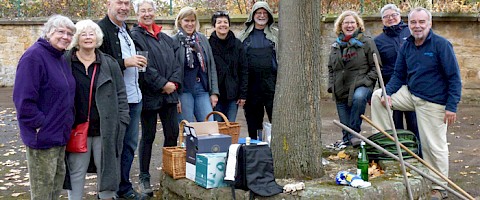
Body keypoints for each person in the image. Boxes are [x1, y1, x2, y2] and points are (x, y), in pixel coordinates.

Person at [370, 7, 462, 200]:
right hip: (411, 94)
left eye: (422, 22)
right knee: (378, 97)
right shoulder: (407, 45)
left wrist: (451, 107)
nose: (417, 26)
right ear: (408, 23)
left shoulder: (441, 45)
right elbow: (398, 75)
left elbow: (454, 78)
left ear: (430, 24)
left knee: (433, 147)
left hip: (434, 102)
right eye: (413, 22)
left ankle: (440, 187)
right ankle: (388, 146)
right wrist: (388, 93)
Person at [64, 19, 129, 200]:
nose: (87, 37)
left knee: (107, 172)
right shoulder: (66, 61)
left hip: (104, 129)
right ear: (77, 38)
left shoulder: (109, 63)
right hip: (76, 129)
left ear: (97, 37)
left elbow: (121, 95)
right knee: (76, 172)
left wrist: (122, 121)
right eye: (83, 34)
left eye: (91, 33)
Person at [12, 15, 76, 200]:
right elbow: (23, 101)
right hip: (43, 137)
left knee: (55, 188)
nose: (65, 36)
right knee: (42, 192)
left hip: (60, 135)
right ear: (48, 32)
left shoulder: (59, 57)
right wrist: (41, 125)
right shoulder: (34, 57)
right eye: (61, 32)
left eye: (70, 33)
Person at [130, 0, 182, 196]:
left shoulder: (166, 38)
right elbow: (143, 68)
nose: (146, 14)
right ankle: (144, 177)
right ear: (137, 15)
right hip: (150, 95)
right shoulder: (135, 36)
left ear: (155, 12)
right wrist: (162, 84)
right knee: (149, 136)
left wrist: (174, 84)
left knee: (172, 133)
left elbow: (178, 64)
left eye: (149, 10)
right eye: (142, 11)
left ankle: (168, 173)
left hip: (170, 95)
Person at [97, 0, 147, 198]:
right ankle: (113, 190)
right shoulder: (100, 30)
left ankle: (122, 187)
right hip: (115, 101)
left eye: (127, 3)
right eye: (119, 2)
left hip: (134, 97)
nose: (124, 7)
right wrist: (125, 62)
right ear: (108, 3)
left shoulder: (126, 30)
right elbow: (97, 64)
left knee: (128, 146)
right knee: (113, 146)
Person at [327, 10, 380, 147]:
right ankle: (349, 143)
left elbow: (376, 67)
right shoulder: (336, 46)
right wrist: (331, 85)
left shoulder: (366, 42)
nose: (349, 25)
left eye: (352, 22)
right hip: (340, 87)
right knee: (345, 128)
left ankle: (355, 134)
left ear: (358, 25)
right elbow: (331, 68)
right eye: (346, 23)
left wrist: (367, 81)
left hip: (361, 84)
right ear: (340, 26)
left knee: (358, 97)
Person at [374, 4, 421, 157]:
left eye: (393, 15)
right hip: (390, 84)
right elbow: (376, 66)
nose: (391, 18)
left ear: (400, 16)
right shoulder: (378, 41)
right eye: (386, 16)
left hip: (411, 84)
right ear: (382, 20)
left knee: (414, 121)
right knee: (395, 122)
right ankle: (399, 153)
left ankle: (418, 153)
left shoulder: (411, 33)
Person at [238, 1, 278, 139]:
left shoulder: (276, 35)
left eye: (265, 13)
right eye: (258, 13)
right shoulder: (243, 37)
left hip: (272, 85)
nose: (261, 16)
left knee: (277, 120)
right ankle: (255, 150)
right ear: (252, 15)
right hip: (251, 87)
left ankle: (276, 148)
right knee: (253, 123)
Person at [172, 7, 219, 122]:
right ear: (180, 22)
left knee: (209, 126)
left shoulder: (202, 39)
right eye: (186, 21)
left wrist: (214, 92)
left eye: (192, 21)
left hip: (202, 89)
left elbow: (211, 66)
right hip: (184, 91)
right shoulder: (174, 41)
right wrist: (175, 97)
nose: (190, 24)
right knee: (188, 130)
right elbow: (171, 70)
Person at [209, 11, 248, 122]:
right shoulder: (208, 45)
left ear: (229, 25)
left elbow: (244, 70)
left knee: (230, 127)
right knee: (216, 128)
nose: (223, 25)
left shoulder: (237, 44)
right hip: (215, 95)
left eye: (225, 22)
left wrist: (242, 94)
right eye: (219, 22)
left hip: (233, 95)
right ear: (214, 25)